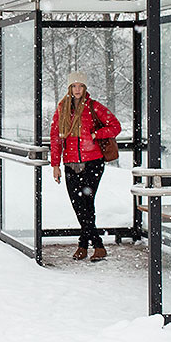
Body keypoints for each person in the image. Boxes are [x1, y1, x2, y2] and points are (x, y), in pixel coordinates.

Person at [50, 72, 121, 261]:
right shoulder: (62, 108)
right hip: (70, 164)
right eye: (74, 86)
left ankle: (91, 246)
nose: (78, 90)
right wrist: (55, 164)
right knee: (78, 205)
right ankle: (90, 243)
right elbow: (56, 138)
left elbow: (115, 126)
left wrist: (98, 134)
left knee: (86, 204)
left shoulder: (93, 107)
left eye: (81, 86)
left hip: (93, 162)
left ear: (85, 88)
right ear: (69, 88)